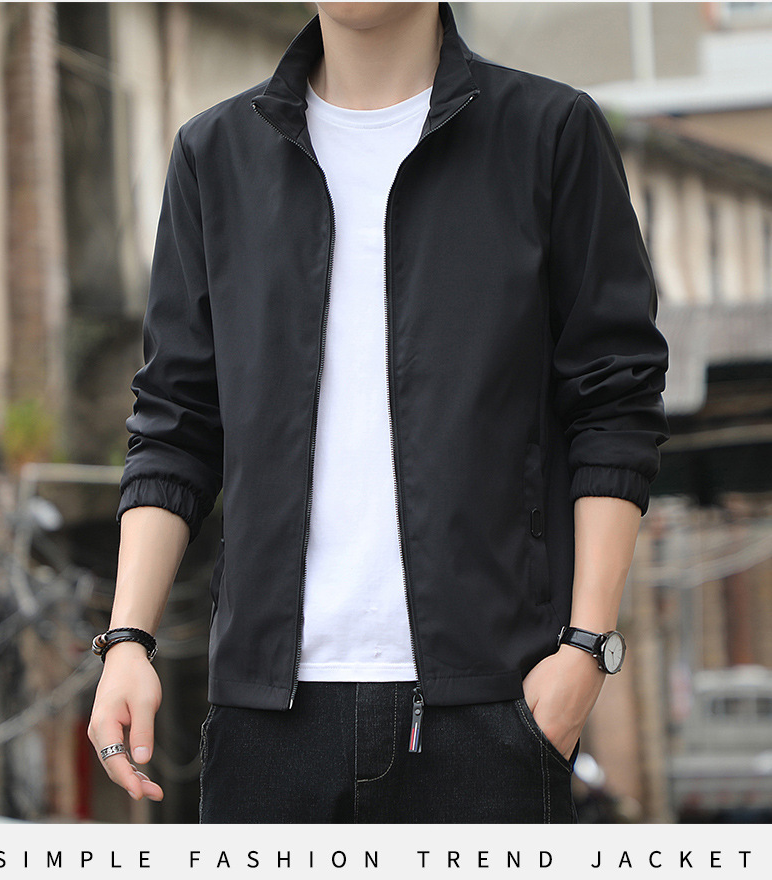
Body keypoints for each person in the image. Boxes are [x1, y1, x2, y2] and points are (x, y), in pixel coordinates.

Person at [87, 2, 669, 823]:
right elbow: (174, 423)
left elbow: (614, 400)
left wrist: (584, 648)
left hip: (493, 708)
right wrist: (128, 641)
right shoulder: (214, 155)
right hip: (266, 725)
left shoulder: (549, 133)